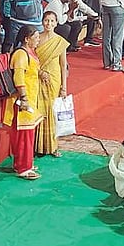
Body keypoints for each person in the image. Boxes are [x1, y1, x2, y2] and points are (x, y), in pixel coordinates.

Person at [2, 26, 44, 180]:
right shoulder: (21, 54)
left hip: (30, 98)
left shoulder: (30, 52)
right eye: (36, 37)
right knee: (24, 134)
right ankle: (23, 168)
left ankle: (25, 163)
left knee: (27, 133)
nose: (38, 40)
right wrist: (24, 97)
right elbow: (18, 78)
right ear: (27, 39)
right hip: (22, 100)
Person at [35, 11, 69, 156]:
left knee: (52, 111)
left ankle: (53, 146)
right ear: (42, 22)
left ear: (56, 23)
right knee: (39, 110)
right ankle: (38, 146)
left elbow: (63, 65)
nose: (48, 24)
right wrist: (39, 72)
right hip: (38, 79)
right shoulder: (36, 39)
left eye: (52, 21)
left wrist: (64, 87)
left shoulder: (60, 42)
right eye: (46, 20)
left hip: (54, 79)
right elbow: (31, 60)